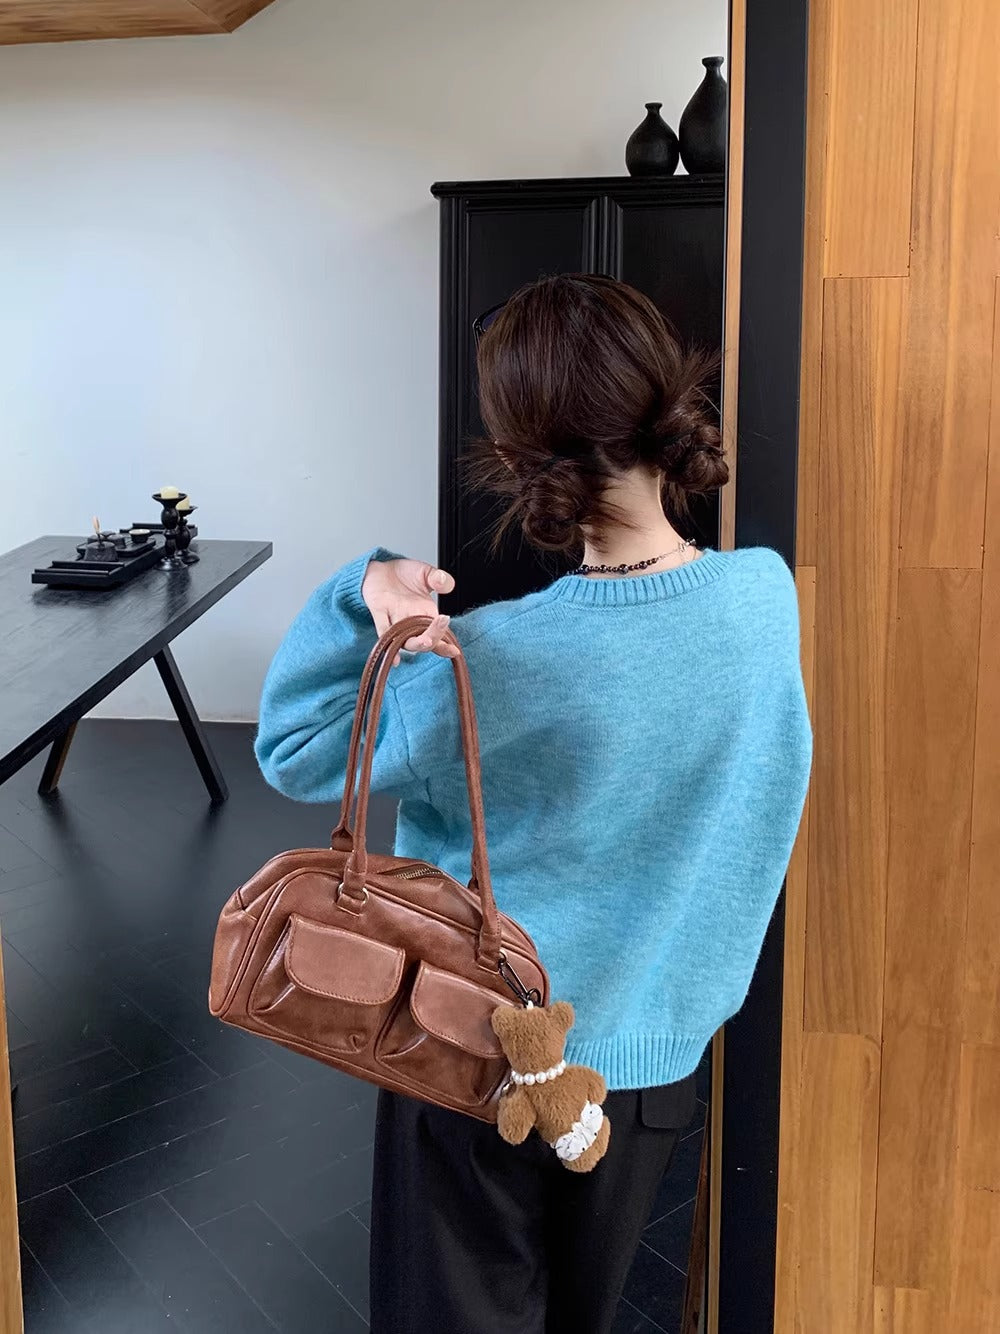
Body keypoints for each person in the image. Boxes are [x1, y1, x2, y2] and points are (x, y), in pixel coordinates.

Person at [254, 274, 812, 1334]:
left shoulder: (486, 661)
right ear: (665, 407)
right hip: (653, 1071)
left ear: (518, 460)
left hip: (473, 1051)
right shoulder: (763, 599)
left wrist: (359, 589)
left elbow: (293, 748)